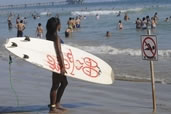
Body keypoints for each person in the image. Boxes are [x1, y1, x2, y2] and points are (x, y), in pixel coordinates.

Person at [46, 17, 68, 113]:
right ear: (57, 26)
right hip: (58, 63)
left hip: (54, 62)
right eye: (60, 24)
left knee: (64, 83)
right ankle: (53, 108)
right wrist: (62, 66)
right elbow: (59, 52)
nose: (61, 25)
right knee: (55, 85)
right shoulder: (56, 37)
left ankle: (57, 103)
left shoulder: (48, 35)